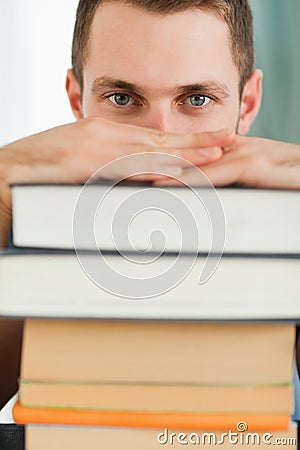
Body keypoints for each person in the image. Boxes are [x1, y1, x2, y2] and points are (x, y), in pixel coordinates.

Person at [0, 0, 299, 412]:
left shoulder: (284, 235)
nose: (160, 141)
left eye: (196, 100)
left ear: (246, 105)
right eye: (122, 99)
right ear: (76, 101)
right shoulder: (32, 228)